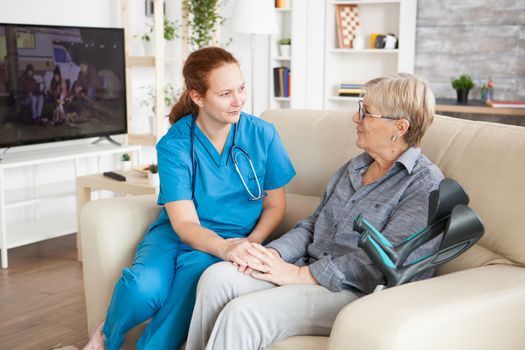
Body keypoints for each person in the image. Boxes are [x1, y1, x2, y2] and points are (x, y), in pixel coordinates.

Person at [186, 73, 445, 350]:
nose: (356, 119)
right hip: (306, 270)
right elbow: (312, 225)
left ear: (399, 127)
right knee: (217, 278)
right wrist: (272, 255)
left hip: (357, 294)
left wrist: (300, 276)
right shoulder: (354, 168)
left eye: (366, 112)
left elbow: (384, 264)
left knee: (243, 314)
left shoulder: (425, 186)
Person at [83, 46, 296, 350]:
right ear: (198, 96)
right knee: (141, 289)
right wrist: (225, 248)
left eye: (241, 88)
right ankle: (106, 337)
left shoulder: (263, 134)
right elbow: (183, 223)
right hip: (176, 233)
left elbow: (276, 205)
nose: (239, 101)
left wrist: (249, 243)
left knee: (187, 290)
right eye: (225, 94)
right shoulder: (176, 144)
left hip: (231, 239)